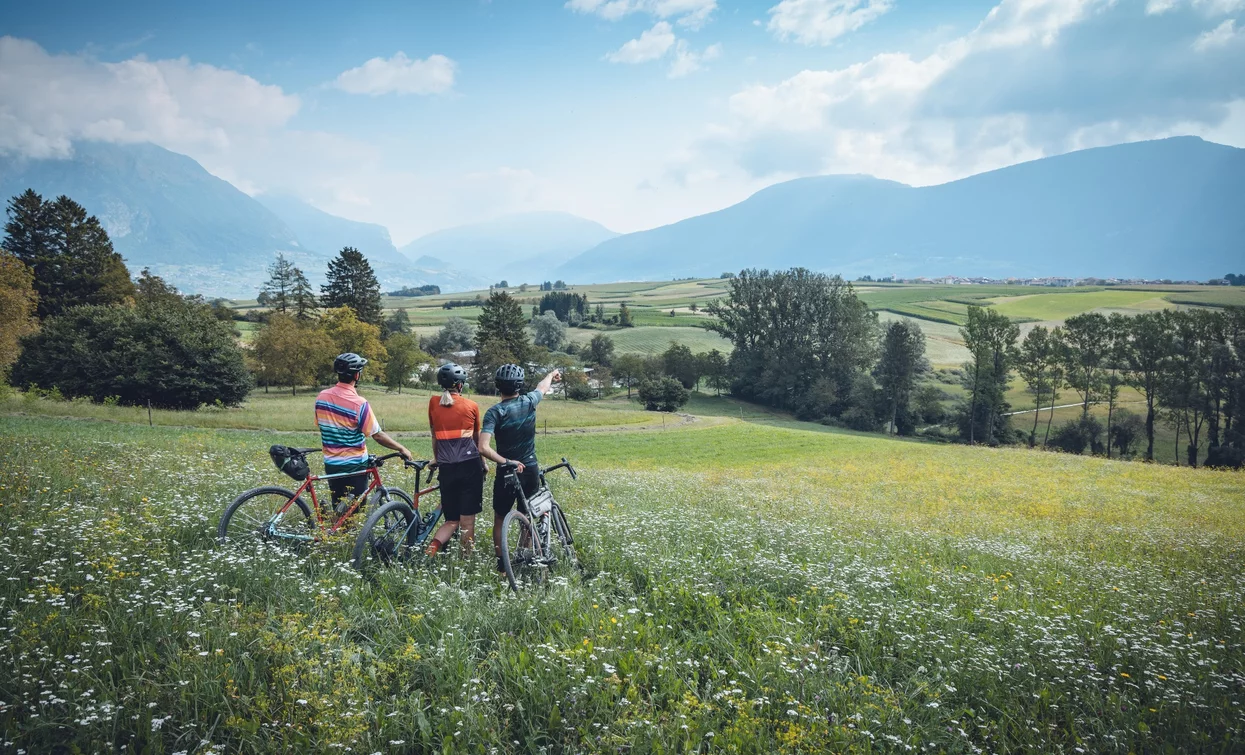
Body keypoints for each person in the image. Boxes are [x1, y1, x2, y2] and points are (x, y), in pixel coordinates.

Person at [478, 363, 562, 571]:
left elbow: (483, 447)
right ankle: (524, 555)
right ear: (519, 386)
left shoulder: (494, 413)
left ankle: (501, 563)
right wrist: (551, 373)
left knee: (500, 516)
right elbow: (542, 387)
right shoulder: (529, 402)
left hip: (507, 471)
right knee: (527, 514)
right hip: (530, 468)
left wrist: (506, 462)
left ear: (498, 387)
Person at [314, 353, 412, 510]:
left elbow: (322, 425)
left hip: (331, 464)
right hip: (354, 467)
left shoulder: (321, 397)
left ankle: (335, 529)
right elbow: (377, 435)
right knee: (354, 512)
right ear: (357, 375)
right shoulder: (359, 404)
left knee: (339, 509)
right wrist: (401, 448)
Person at [424, 363, 485, 557]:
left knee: (451, 520)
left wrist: (437, 459)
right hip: (470, 467)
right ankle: (465, 561)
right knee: (467, 521)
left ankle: (430, 551)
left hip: (447, 468)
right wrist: (483, 464)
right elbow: (476, 441)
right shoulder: (472, 406)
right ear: (460, 385)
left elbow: (435, 438)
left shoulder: (433, 403)